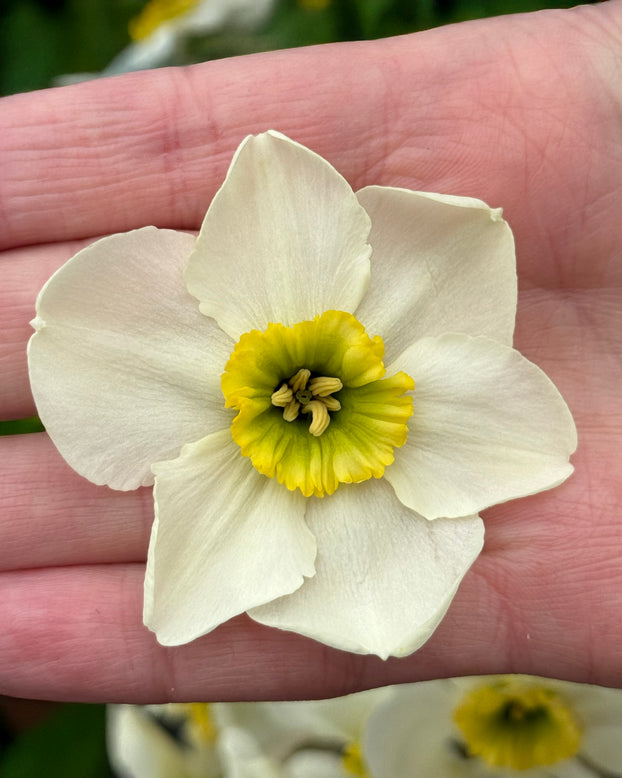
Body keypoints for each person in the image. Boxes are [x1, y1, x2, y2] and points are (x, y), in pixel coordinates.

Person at [1, 0, 621, 704]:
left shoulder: (450, 255)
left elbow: (470, 248)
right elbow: (84, 330)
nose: (304, 399)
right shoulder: (135, 335)